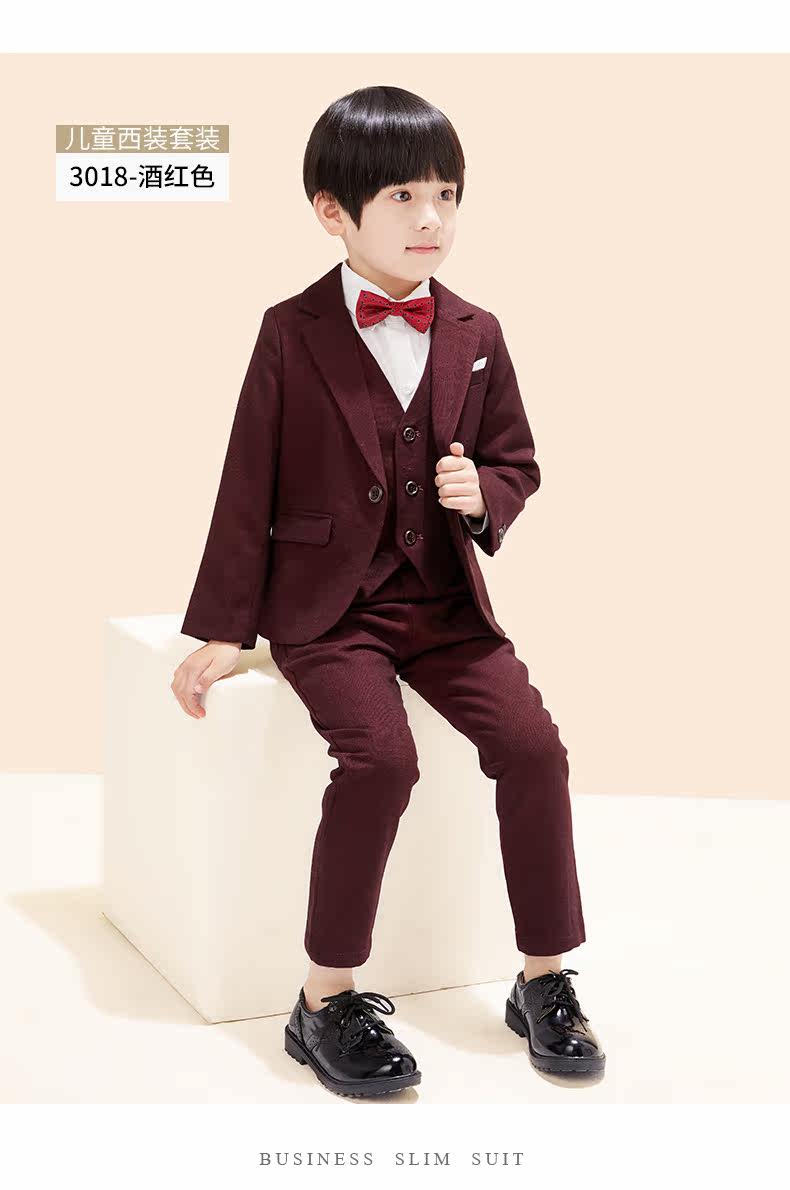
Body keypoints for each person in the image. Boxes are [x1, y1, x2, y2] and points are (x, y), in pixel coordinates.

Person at [171, 85, 605, 1097]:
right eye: (403, 196)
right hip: (329, 613)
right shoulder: (290, 331)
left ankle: (542, 976)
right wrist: (226, 627)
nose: (431, 218)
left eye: (446, 194)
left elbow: (516, 460)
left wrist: (483, 493)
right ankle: (324, 997)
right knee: (381, 760)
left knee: (535, 748)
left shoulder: (477, 329)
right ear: (333, 210)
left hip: (444, 605)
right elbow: (247, 479)